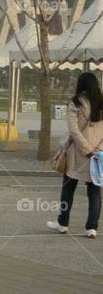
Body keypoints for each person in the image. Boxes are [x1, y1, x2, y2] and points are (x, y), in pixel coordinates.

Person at [47, 71, 103, 237]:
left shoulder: (75, 103)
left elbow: (74, 130)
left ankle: (63, 223)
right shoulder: (101, 103)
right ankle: (92, 228)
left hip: (76, 152)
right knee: (94, 191)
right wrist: (97, 149)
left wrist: (86, 150)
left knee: (68, 189)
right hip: (97, 155)